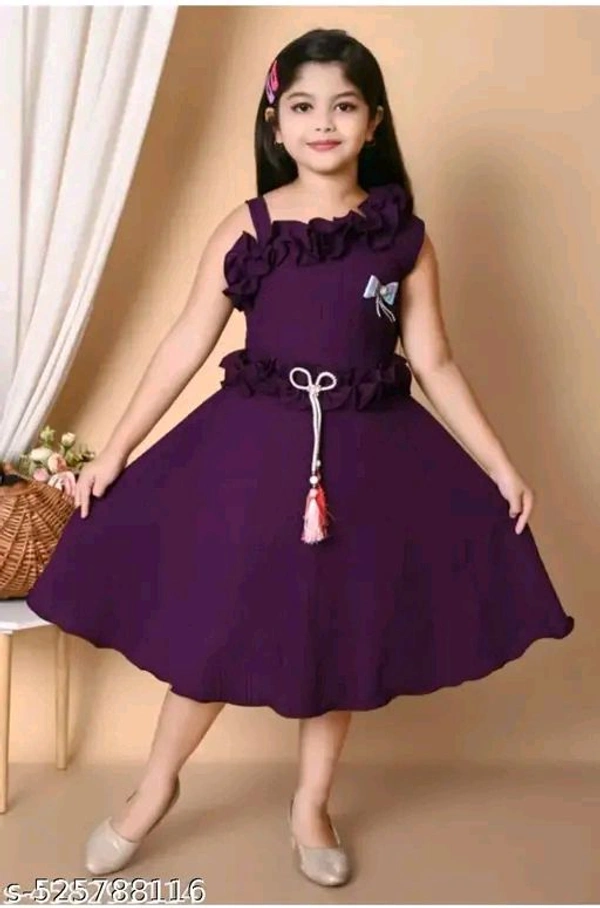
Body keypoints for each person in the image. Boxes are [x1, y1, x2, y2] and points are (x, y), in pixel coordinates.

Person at [26, 27, 575, 887]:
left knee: (338, 637)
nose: (324, 123)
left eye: (344, 107)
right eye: (305, 107)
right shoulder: (249, 228)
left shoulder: (403, 238)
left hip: (367, 461)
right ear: (276, 123)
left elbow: (434, 361)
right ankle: (154, 787)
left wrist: (501, 464)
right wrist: (117, 449)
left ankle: (311, 805)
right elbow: (184, 342)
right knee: (217, 626)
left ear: (374, 121)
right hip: (251, 458)